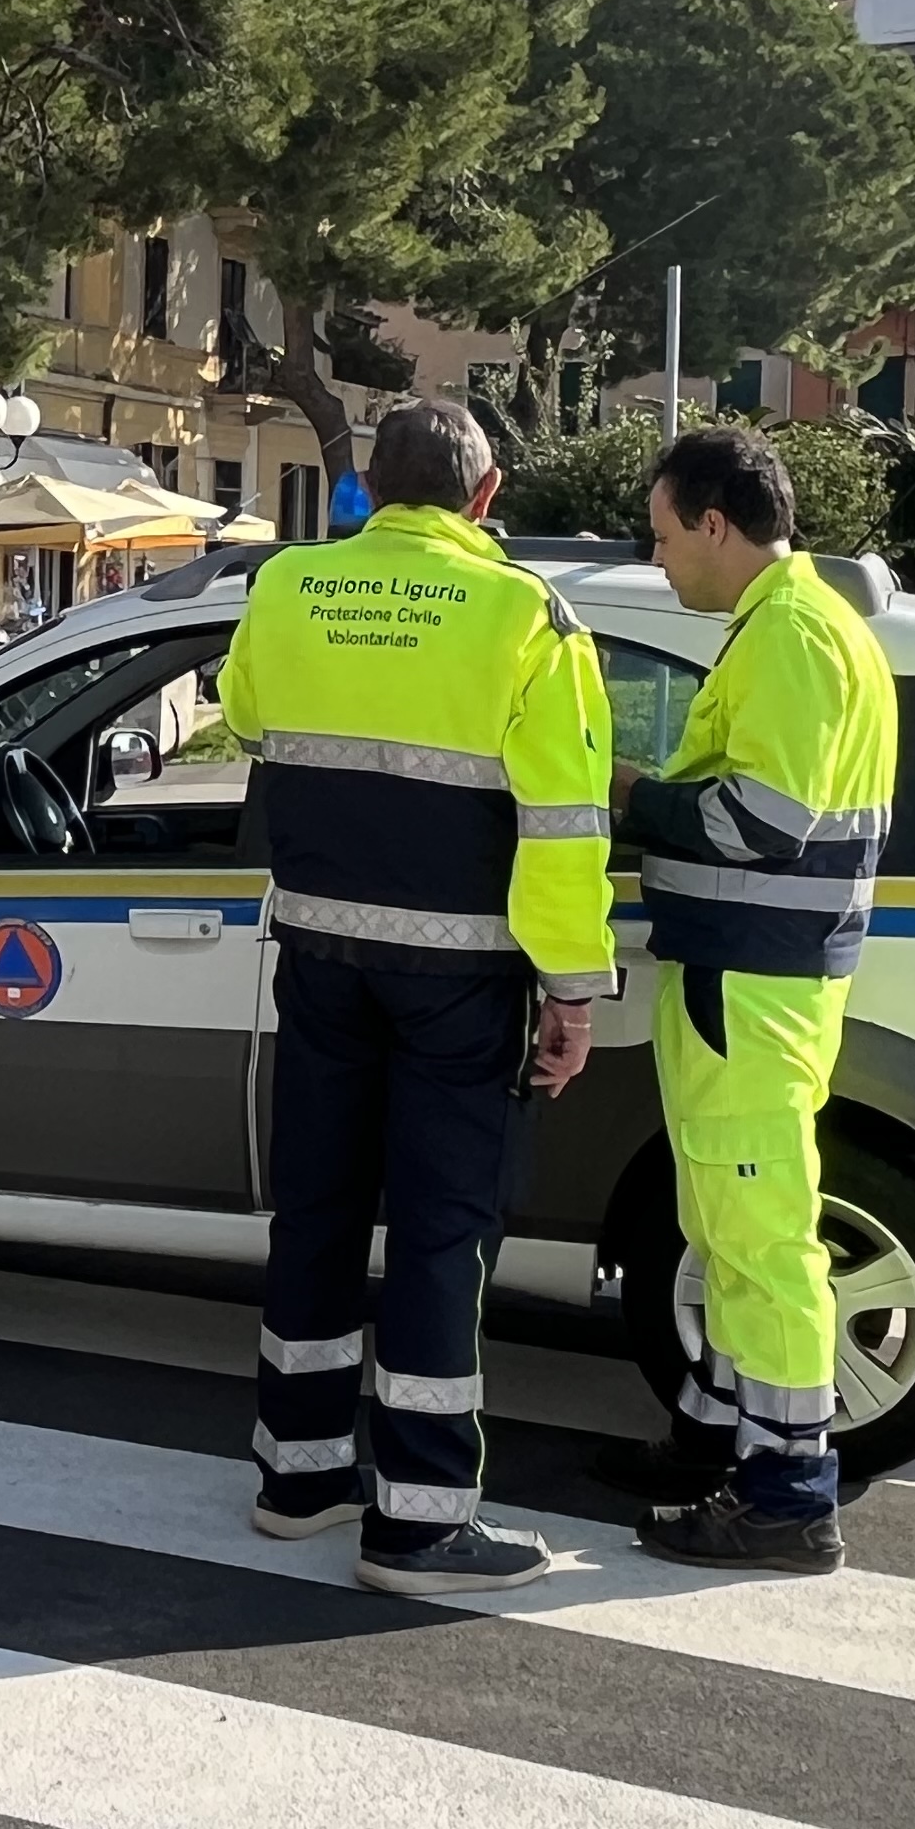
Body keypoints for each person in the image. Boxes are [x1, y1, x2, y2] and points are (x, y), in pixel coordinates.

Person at [220, 399, 612, 1600]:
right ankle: (420, 1524)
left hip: (324, 957)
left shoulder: (289, 586)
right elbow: (563, 825)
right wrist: (573, 991)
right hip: (462, 978)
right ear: (484, 498)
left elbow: (242, 716)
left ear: (371, 491)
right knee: (442, 1235)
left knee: (319, 1210)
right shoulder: (527, 616)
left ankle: (300, 1478)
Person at [614, 426, 895, 1573]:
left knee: (764, 1239)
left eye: (665, 533)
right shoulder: (802, 626)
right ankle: (732, 1446)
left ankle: (787, 1492)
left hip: (751, 980)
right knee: (727, 1228)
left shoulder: (788, 635)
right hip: (751, 976)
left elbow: (758, 825)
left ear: (717, 525)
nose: (660, 558)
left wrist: (632, 795)